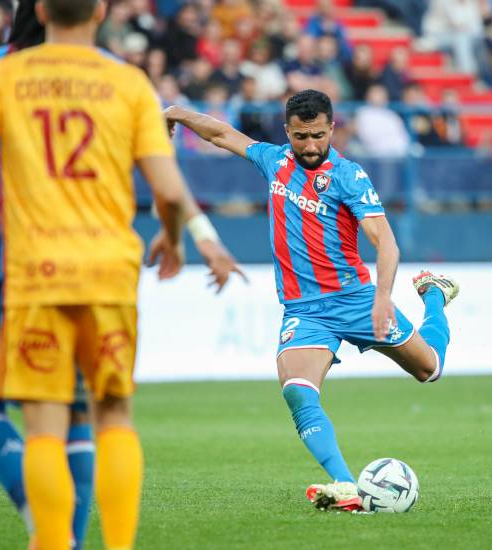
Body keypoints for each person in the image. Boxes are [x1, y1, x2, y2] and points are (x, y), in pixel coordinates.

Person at [0, 2, 242, 545]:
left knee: (45, 424)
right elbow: (168, 190)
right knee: (113, 415)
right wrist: (175, 237)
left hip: (34, 274)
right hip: (108, 272)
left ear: (42, 8)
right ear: (101, 10)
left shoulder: (2, 75)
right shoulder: (128, 82)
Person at [165, 89, 459, 512]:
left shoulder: (349, 176)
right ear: (288, 132)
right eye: (301, 136)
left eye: (318, 135)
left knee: (429, 369)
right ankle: (346, 486)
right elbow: (221, 134)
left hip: (358, 300)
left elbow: (387, 244)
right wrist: (176, 112)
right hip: (304, 311)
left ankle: (434, 294)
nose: (310, 146)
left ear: (332, 129)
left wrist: (382, 298)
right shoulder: (274, 161)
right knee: (298, 390)